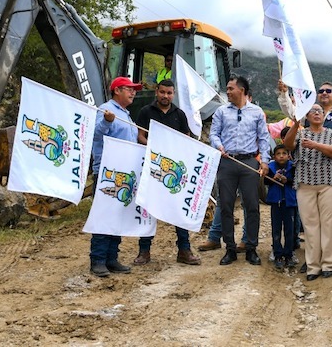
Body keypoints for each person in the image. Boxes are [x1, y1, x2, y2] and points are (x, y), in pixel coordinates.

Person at [134, 79, 200, 266]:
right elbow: (140, 135)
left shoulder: (179, 114)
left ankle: (184, 250)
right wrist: (156, 150)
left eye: (169, 93)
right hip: (152, 168)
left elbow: (186, 139)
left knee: (178, 210)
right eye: (162, 92)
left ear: (173, 94)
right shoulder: (145, 111)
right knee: (148, 209)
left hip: (174, 170)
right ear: (157, 92)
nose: (165, 96)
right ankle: (144, 251)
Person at [209, 75, 270, 266]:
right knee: (226, 205)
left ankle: (251, 248)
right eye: (227, 88)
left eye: (230, 88)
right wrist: (219, 146)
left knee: (252, 205)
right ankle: (230, 248)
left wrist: (265, 161)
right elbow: (213, 133)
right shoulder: (221, 111)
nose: (227, 92)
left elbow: (263, 138)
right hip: (226, 162)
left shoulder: (257, 112)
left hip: (249, 163)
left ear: (241, 90)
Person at [284, 104, 332, 280]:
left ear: (324, 115)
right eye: (313, 111)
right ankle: (313, 266)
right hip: (305, 183)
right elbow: (287, 144)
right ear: (306, 116)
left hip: (329, 183)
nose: (317, 113)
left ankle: (329, 264)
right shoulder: (300, 133)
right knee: (310, 226)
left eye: (320, 111)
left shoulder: (331, 133)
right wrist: (295, 124)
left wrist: (315, 145)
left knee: (329, 225)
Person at [89, 76, 142, 277]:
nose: (133, 92)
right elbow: (95, 134)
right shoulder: (106, 110)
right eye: (129, 89)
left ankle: (111, 258)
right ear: (117, 90)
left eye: (134, 89)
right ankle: (98, 260)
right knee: (104, 215)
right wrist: (106, 121)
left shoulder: (126, 115)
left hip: (124, 173)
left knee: (118, 215)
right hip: (107, 172)